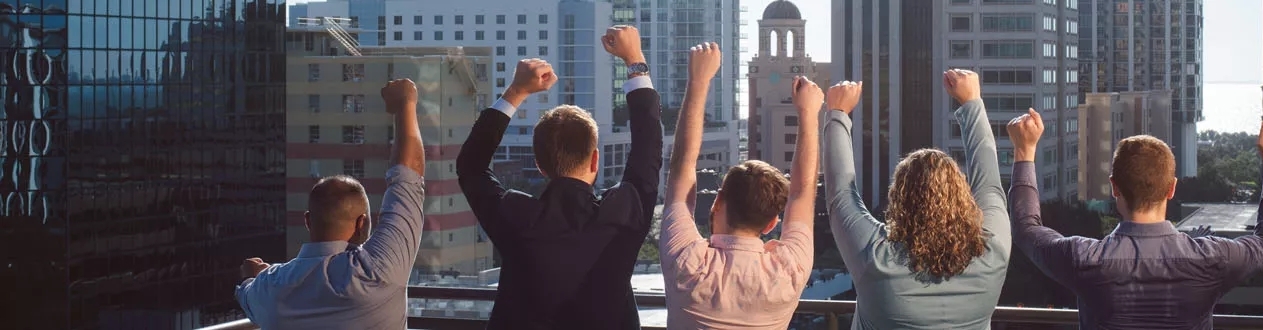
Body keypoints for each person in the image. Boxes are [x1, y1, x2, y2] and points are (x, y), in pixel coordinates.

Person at [455, 25, 662, 329]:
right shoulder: (624, 212)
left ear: (540, 164)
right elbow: (648, 148)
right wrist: (635, 60)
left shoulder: (517, 217)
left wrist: (516, 92)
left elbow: (470, 166)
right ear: (595, 158)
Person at [1006, 109, 1263, 329]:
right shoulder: (1212, 259)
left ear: (1114, 187)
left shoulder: (1084, 258)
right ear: (1172, 189)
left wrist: (1025, 150)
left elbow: (1025, 228)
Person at [822, 69, 1011, 329]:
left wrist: (838, 113)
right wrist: (972, 102)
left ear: (898, 199)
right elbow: (990, 184)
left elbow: (840, 192)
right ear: (963, 196)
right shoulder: (993, 252)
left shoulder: (876, 258)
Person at [658, 42, 827, 328]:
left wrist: (699, 81)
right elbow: (803, 191)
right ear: (773, 222)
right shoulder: (789, 271)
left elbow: (681, 168)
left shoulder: (688, 264)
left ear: (717, 201)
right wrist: (809, 114)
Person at [234, 79, 427, 329]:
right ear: (362, 223)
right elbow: (407, 179)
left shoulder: (270, 287)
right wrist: (406, 102)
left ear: (307, 220)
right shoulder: (378, 270)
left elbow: (248, 289)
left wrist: (255, 275)